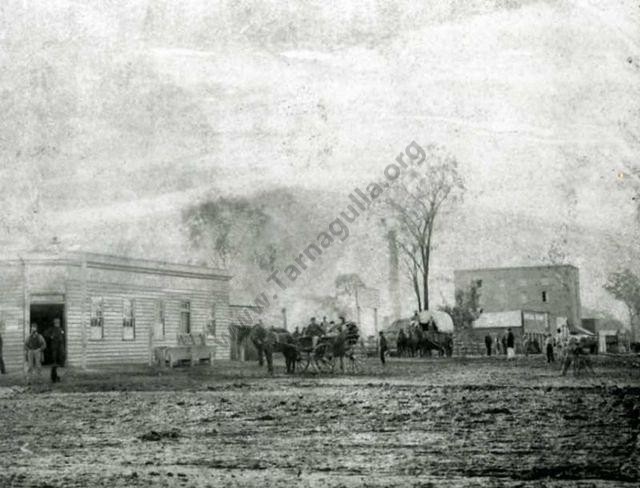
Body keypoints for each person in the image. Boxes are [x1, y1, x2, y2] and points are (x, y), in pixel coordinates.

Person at [48, 318, 65, 383]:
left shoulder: (61, 329)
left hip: (60, 347)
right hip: (54, 347)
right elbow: (46, 333)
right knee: (54, 361)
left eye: (58, 322)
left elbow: (63, 337)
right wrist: (50, 336)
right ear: (54, 323)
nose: (57, 323)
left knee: (60, 359)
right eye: (56, 322)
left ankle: (58, 377)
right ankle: (54, 377)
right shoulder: (51, 329)